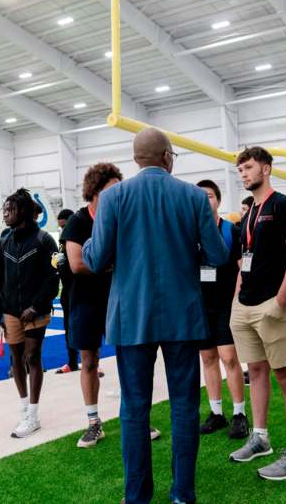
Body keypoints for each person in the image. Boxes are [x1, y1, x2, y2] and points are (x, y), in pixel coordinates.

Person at [83, 128, 228, 504]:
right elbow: (218, 255)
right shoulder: (194, 196)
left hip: (131, 317)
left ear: (136, 160)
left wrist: (91, 241)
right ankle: (182, 493)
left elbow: (95, 259)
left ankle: (137, 496)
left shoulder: (114, 197)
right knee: (183, 403)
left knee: (134, 407)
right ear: (167, 157)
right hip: (182, 315)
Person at [228, 146, 286, 481]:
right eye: (240, 170)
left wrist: (279, 300)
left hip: (273, 304)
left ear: (266, 169)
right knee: (256, 371)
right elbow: (245, 258)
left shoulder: (283, 205)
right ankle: (260, 437)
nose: (244, 174)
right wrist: (237, 297)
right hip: (245, 304)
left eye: (248, 167)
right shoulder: (248, 213)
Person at [60, 164, 122, 447]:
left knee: (129, 360)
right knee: (89, 361)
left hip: (118, 299)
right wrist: (113, 264)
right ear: (95, 191)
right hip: (85, 302)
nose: (118, 193)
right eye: (112, 188)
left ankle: (136, 419)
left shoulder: (122, 218)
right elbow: (77, 264)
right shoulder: (78, 221)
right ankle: (93, 422)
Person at [0, 188, 60, 438]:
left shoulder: (46, 240)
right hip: (10, 310)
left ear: (24, 211)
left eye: (10, 209)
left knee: (33, 357)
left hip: (36, 311)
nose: (5, 214)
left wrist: (37, 306)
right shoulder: (3, 241)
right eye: (4, 210)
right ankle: (23, 407)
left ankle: (33, 414)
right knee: (15, 359)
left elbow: (54, 276)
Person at [195, 179, 248, 439]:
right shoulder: (189, 233)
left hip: (227, 304)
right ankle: (216, 413)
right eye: (200, 197)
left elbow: (244, 266)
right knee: (208, 358)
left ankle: (240, 414)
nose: (206, 201)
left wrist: (238, 296)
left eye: (210, 196)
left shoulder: (231, 231)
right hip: (201, 306)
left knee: (229, 357)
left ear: (218, 200)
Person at [55, 208, 80, 375]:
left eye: (65, 225)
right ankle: (72, 362)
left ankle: (93, 362)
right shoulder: (62, 241)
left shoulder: (82, 236)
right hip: (67, 291)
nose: (63, 229)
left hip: (83, 290)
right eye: (61, 227)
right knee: (68, 328)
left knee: (88, 327)